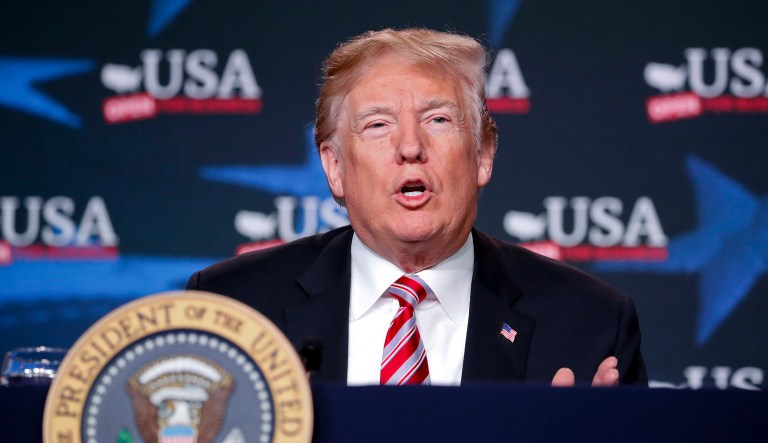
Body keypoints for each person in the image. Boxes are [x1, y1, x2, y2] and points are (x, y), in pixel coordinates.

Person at [187, 28, 647, 386]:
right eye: (378, 124)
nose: (410, 146)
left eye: (438, 119)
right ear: (334, 167)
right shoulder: (233, 309)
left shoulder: (590, 324)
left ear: (483, 154)